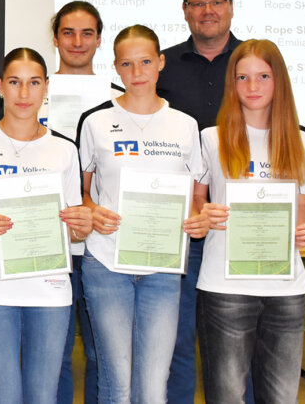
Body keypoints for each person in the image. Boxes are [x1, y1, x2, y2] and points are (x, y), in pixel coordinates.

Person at [0, 47, 92, 404]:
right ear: (0, 87)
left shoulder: (64, 149)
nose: (24, 93)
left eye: (34, 83)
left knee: (43, 396)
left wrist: (82, 225)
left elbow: (74, 226)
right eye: (14, 82)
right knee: (3, 396)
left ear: (46, 87)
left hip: (49, 290)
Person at [76, 25, 208, 403]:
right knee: (116, 383)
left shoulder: (185, 125)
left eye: (146, 62)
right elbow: (80, 193)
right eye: (127, 64)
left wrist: (198, 219)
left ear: (161, 62)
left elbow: (197, 198)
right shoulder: (96, 122)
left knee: (152, 387)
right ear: (116, 67)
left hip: (162, 266)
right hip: (106, 262)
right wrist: (93, 211)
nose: (137, 72)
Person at [195, 40, 305, 402]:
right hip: (225, 287)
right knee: (227, 396)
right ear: (231, 84)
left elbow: (303, 208)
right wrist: (205, 212)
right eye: (242, 77)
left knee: (281, 397)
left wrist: (302, 230)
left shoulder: (303, 141)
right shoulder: (211, 138)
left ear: (279, 80)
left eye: (263, 76)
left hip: (286, 289)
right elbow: (197, 201)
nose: (252, 86)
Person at [156, 0, 243, 403]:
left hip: (239, 224)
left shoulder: (253, 64)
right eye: (198, 4)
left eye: (216, 2)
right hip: (182, 224)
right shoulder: (164, 66)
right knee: (179, 340)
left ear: (231, 6)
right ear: (185, 10)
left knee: (238, 343)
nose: (208, 11)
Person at [44, 1, 121, 404]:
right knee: (52, 354)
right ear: (55, 38)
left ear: (99, 39)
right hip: (47, 236)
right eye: (68, 32)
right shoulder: (32, 91)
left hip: (103, 244)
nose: (77, 41)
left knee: (100, 352)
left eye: (87, 33)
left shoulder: (121, 99)